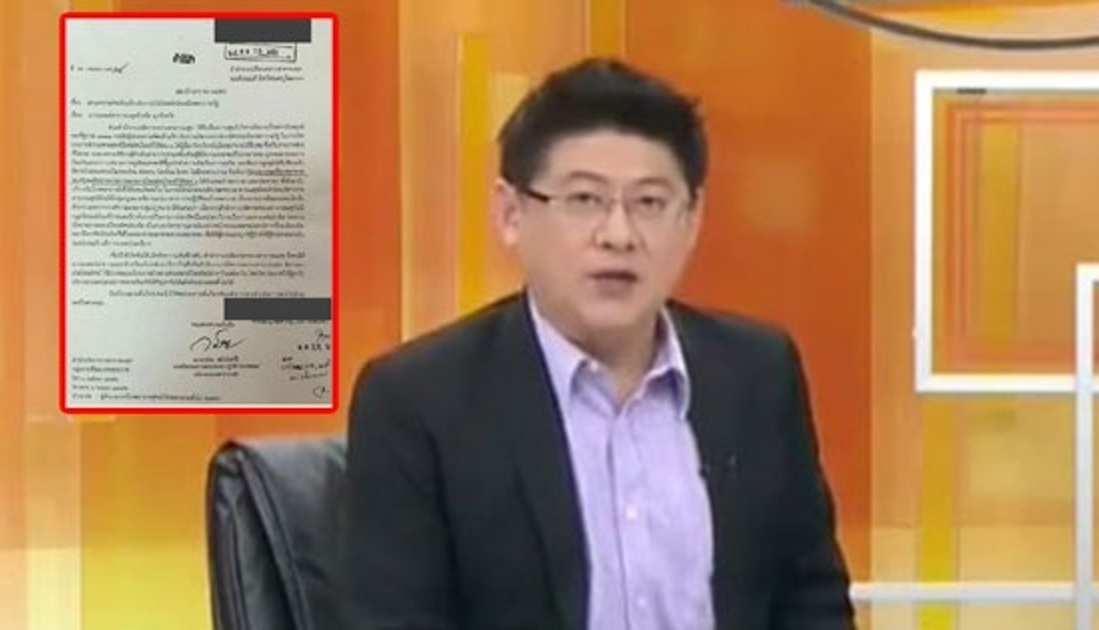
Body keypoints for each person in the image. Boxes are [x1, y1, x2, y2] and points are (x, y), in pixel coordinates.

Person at [342, 57, 854, 630]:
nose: (618, 235)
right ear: (511, 214)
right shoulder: (420, 401)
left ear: (692, 220)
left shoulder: (757, 374)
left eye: (649, 203)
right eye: (585, 200)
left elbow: (812, 604)